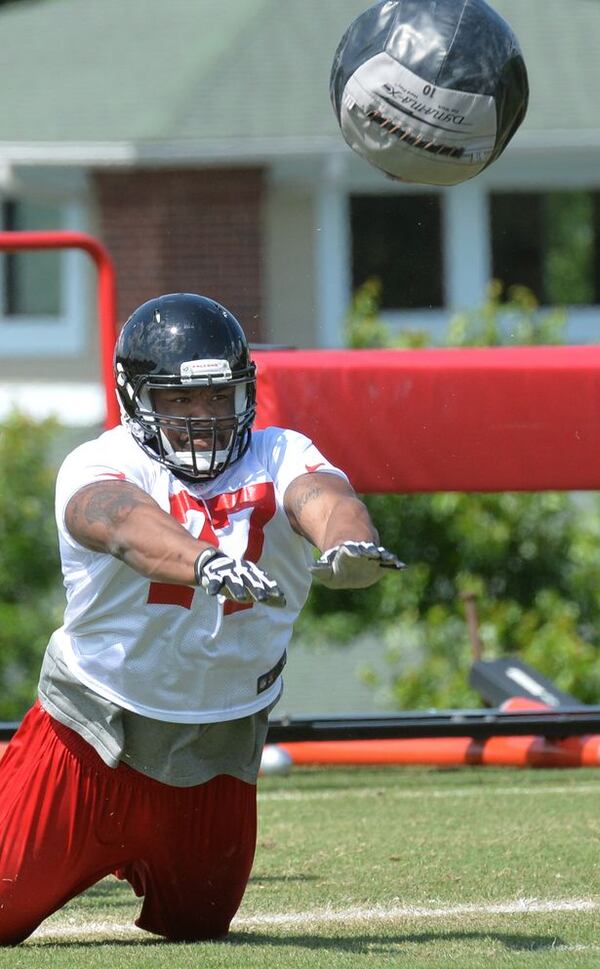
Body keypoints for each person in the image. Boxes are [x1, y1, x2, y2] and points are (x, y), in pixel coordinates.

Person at [0, 292, 404, 945]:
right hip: (90, 738)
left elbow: (325, 496)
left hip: (215, 749)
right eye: (180, 399)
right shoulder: (100, 462)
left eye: (217, 397)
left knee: (199, 923)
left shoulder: (279, 451)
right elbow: (120, 521)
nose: (202, 417)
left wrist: (347, 543)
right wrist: (203, 562)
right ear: (136, 398)